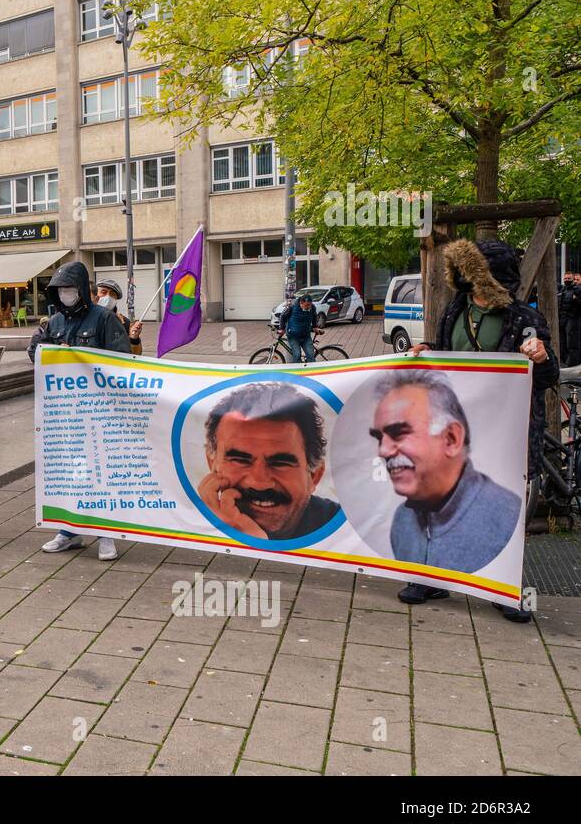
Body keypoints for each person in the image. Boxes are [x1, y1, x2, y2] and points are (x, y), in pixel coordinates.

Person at [401, 238, 557, 623]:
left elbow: (548, 376)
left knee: (502, 504)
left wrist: (540, 356)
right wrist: (428, 349)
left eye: (476, 274)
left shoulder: (525, 319)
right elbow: (451, 357)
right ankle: (433, 576)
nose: (470, 283)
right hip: (456, 428)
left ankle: (504, 587)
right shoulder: (456, 310)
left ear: (493, 278)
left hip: (506, 432)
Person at [369, 368, 519, 572]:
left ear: (451, 439)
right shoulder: (402, 520)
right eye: (379, 438)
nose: (383, 451)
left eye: (399, 433)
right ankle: (422, 582)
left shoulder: (507, 517)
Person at [29, 261, 131, 560]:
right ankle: (68, 531)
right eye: (60, 290)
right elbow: (38, 356)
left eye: (70, 289)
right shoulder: (56, 321)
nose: (65, 294)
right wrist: (41, 345)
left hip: (99, 414)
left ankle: (107, 535)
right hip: (66, 415)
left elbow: (121, 360)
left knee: (102, 475)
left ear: (82, 290)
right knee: (72, 475)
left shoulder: (104, 319)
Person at [200, 381, 339, 540]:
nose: (259, 483)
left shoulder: (349, 530)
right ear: (212, 464)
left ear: (314, 476)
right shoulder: (188, 519)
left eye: (280, 463)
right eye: (239, 460)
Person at [94, 280, 142, 356]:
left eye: (112, 294)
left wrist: (134, 339)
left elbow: (135, 355)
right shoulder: (84, 317)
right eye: (103, 292)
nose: (108, 296)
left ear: (116, 299)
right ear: (95, 295)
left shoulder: (124, 322)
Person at [278, 292, 320, 363]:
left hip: (306, 336)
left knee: (310, 355)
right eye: (306, 305)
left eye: (310, 305)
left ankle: (311, 372)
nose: (308, 307)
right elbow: (283, 316)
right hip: (293, 337)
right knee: (297, 355)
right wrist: (282, 329)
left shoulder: (312, 307)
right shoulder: (292, 306)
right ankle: (298, 372)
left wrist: (315, 327)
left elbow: (314, 316)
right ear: (301, 303)